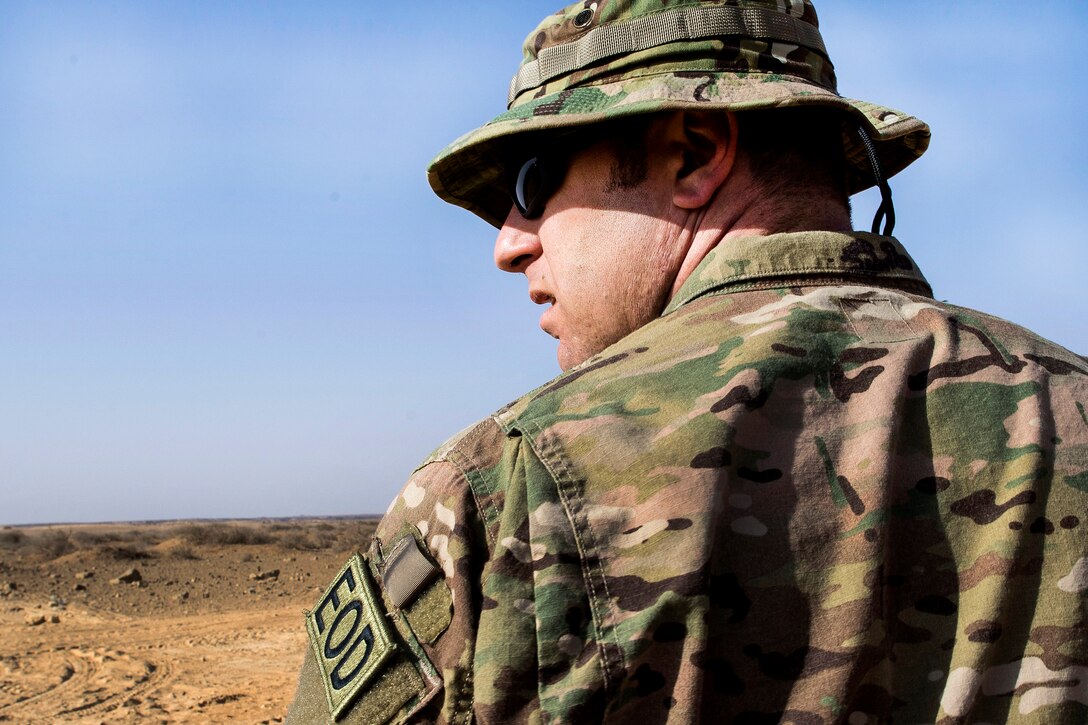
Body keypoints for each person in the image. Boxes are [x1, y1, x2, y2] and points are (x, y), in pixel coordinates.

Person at [286, 1, 1088, 722]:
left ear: (697, 151)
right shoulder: (1074, 405)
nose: (508, 243)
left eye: (532, 181)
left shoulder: (508, 485)